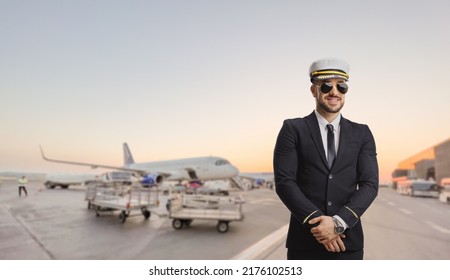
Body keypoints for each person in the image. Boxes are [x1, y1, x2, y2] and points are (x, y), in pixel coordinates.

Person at [273, 58, 378, 260]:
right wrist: (319, 225)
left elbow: (370, 184)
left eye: (341, 86)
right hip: (304, 243)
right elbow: (285, 182)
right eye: (326, 85)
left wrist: (338, 223)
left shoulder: (362, 133)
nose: (334, 91)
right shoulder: (292, 129)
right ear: (314, 90)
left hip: (347, 243)